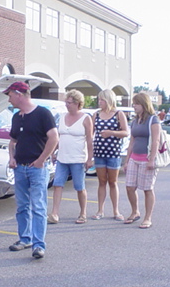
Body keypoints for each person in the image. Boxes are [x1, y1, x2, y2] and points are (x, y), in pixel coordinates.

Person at [6, 81, 59, 259]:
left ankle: (38, 245)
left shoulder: (42, 113)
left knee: (38, 206)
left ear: (19, 94)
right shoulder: (16, 116)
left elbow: (53, 137)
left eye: (10, 95)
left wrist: (41, 160)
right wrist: (12, 158)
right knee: (22, 206)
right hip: (20, 168)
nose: (9, 99)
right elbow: (12, 141)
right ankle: (25, 239)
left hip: (37, 169)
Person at [48, 90, 94, 225]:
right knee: (57, 184)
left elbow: (90, 140)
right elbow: (58, 137)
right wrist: (53, 152)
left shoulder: (86, 118)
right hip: (62, 157)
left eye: (69, 103)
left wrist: (89, 158)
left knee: (79, 186)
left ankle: (83, 213)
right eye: (66, 102)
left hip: (78, 159)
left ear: (77, 103)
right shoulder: (62, 116)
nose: (67, 105)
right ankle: (54, 213)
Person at [123, 92, 161, 229]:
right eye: (133, 103)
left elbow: (156, 140)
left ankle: (147, 218)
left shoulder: (153, 119)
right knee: (129, 187)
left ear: (144, 104)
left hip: (146, 159)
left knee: (147, 189)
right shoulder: (135, 121)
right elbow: (131, 142)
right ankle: (135, 212)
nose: (134, 106)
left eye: (136, 103)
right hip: (134, 158)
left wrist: (151, 159)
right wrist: (127, 161)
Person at [91, 89, 129, 221]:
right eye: (99, 99)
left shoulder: (119, 114)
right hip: (99, 152)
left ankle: (116, 211)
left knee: (113, 182)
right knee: (101, 182)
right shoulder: (96, 114)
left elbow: (126, 132)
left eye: (102, 100)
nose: (99, 102)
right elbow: (90, 133)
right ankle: (100, 210)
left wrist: (111, 133)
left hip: (113, 153)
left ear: (108, 100)